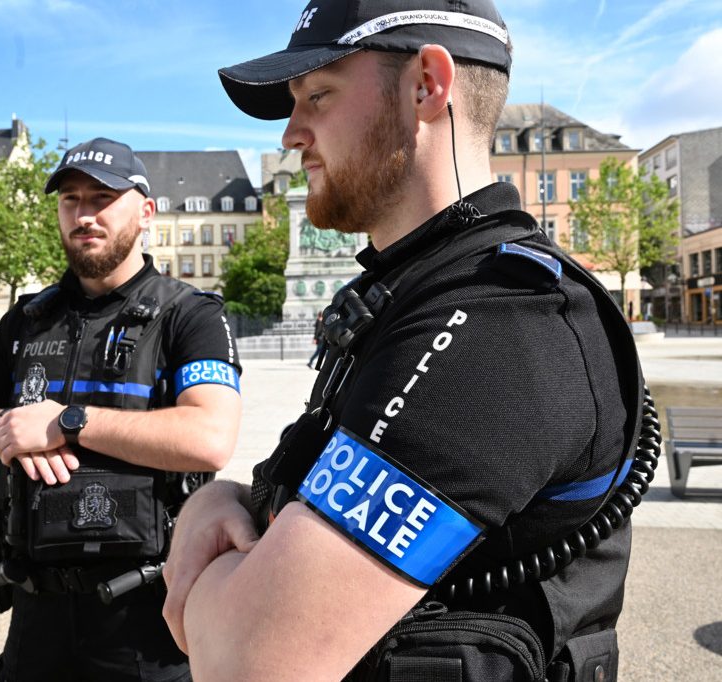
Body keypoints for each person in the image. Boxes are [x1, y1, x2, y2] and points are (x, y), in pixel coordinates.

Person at [162, 2, 644, 680]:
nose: (291, 136)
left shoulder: (498, 323)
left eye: (318, 96)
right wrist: (223, 501)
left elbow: (248, 658)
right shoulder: (418, 291)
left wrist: (214, 578)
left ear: (425, 85)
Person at [0, 136, 242, 682]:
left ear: (145, 212)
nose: (85, 214)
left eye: (103, 197)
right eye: (71, 200)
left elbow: (210, 435)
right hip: (36, 617)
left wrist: (66, 422)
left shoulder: (188, 315)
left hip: (146, 621)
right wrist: (5, 425)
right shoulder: (27, 319)